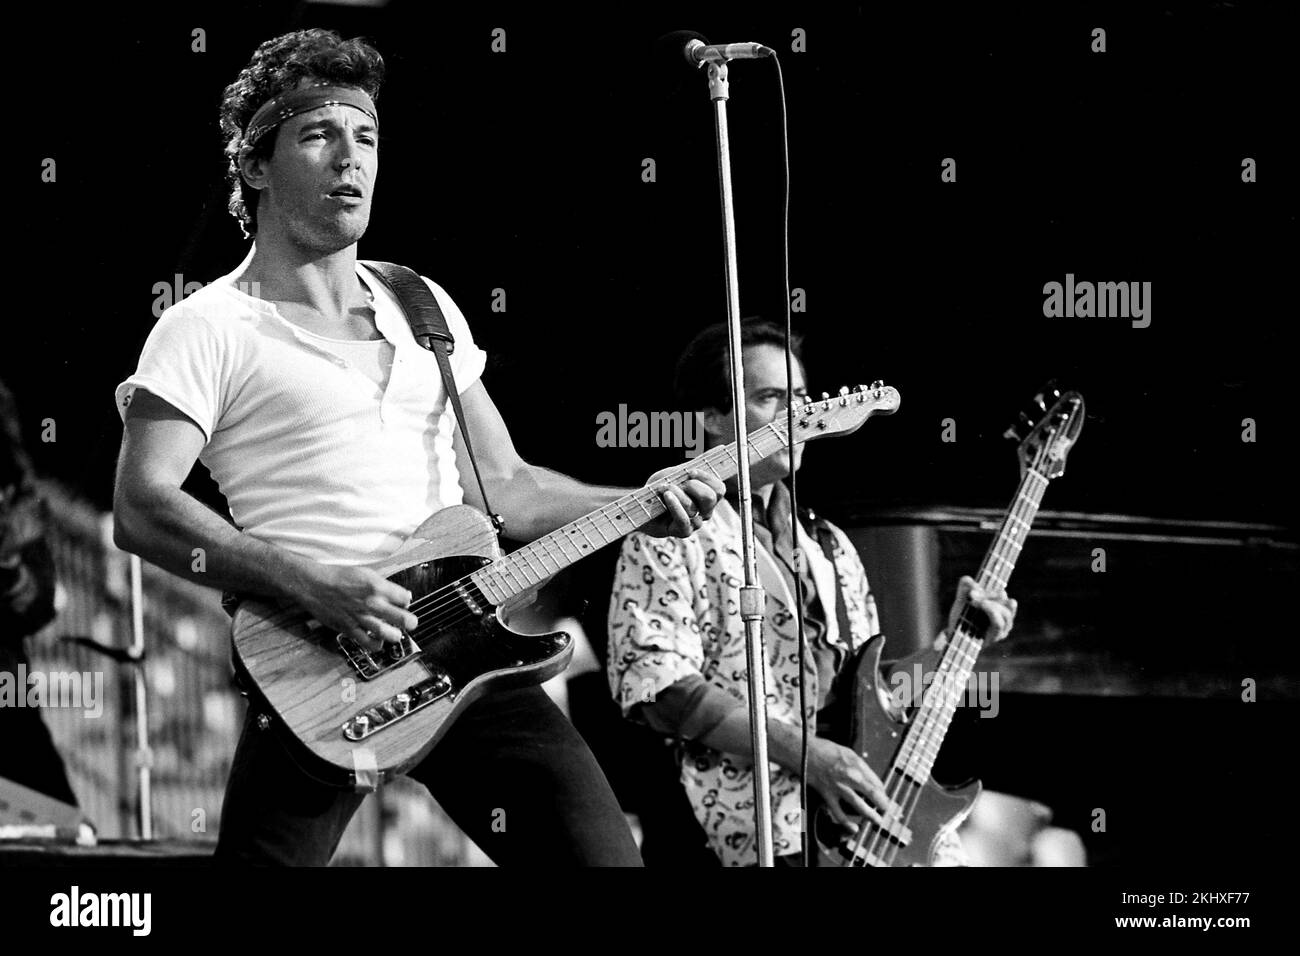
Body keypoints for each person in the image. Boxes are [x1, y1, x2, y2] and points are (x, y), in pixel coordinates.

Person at [111, 28, 722, 866]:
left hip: (465, 651)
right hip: (316, 665)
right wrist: (311, 583)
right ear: (254, 167)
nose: (350, 159)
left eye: (365, 137)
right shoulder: (205, 326)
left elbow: (504, 488)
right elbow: (141, 510)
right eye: (319, 135)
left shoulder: (419, 303)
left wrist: (642, 504)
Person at [607, 320, 1018, 866]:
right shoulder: (666, 534)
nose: (793, 416)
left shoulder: (830, 545)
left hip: (855, 821)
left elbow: (869, 694)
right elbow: (660, 689)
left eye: (798, 397)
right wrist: (811, 758)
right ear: (711, 417)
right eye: (769, 398)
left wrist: (954, 643)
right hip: (748, 829)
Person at [0, 377, 79, 808]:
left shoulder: (15, 503)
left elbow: (41, 601)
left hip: (10, 719)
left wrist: (9, 567)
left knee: (57, 831)